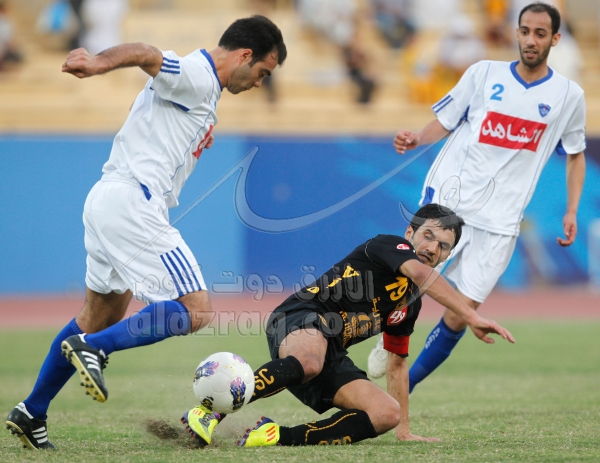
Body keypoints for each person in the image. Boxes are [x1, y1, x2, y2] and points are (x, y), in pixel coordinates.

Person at [5, 15, 286, 450]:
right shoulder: (197, 73)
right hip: (134, 203)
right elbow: (147, 54)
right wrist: (98, 63)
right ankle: (94, 349)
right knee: (196, 309)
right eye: (263, 72)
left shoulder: (203, 92)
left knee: (98, 316)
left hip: (107, 199)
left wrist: (197, 137)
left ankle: (31, 411)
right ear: (245, 55)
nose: (259, 82)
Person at [368, 2, 586, 393]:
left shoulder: (568, 96)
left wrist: (571, 209)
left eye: (540, 33)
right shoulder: (484, 73)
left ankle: (402, 392)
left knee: (460, 315)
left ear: (555, 39)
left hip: (501, 221)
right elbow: (446, 120)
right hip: (453, 201)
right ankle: (384, 335)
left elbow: (575, 154)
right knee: (411, 280)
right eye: (525, 31)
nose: (530, 40)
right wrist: (418, 137)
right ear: (515, 32)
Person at [181, 204, 515, 447]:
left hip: (331, 350)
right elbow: (420, 273)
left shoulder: (410, 304)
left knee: (385, 413)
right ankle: (208, 413)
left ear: (447, 255)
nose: (432, 248)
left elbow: (397, 363)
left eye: (443, 246)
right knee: (309, 360)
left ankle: (273, 435)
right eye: (428, 236)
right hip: (300, 315)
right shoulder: (389, 245)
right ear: (409, 234)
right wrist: (471, 316)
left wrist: (403, 430)